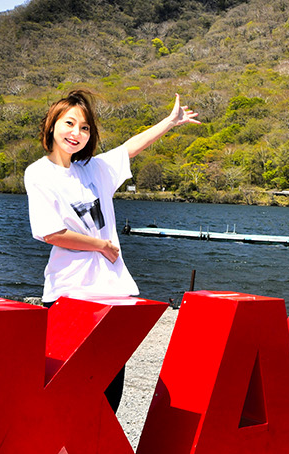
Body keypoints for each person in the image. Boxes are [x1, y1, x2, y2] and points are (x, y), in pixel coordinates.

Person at [24, 89, 200, 409]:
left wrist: (170, 122)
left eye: (85, 127)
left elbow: (132, 147)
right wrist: (101, 245)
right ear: (52, 127)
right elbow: (51, 233)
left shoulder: (96, 169)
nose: (76, 133)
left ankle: (98, 452)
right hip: (70, 290)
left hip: (110, 289)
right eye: (69, 123)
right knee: (64, 382)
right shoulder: (39, 174)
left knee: (109, 384)